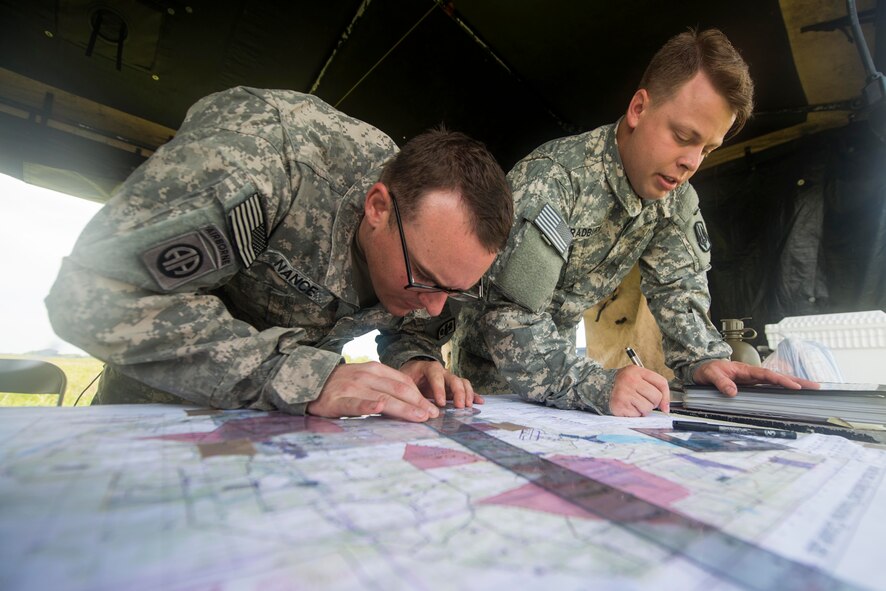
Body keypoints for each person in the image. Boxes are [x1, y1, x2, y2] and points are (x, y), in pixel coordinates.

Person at [46, 86, 513, 422]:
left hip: (276, 443)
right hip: (157, 419)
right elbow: (96, 295)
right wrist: (303, 377)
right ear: (377, 208)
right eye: (425, 279)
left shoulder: (430, 247)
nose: (435, 306)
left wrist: (414, 360)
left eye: (454, 292)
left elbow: (412, 327)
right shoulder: (265, 153)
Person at [447, 28, 817, 417]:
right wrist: (595, 384)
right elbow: (508, 316)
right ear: (638, 109)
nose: (691, 162)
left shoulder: (674, 199)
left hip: (561, 397)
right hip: (489, 393)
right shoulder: (556, 180)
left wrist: (706, 360)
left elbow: (678, 289)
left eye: (707, 149)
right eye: (683, 136)